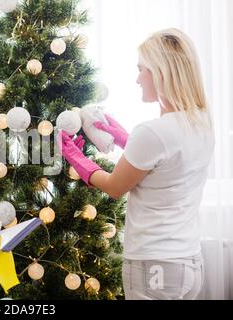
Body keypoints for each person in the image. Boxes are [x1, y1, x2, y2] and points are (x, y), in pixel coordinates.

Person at [59, 28, 215, 300]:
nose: (137, 78)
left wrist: (74, 156)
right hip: (188, 260)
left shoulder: (153, 132)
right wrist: (124, 139)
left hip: (154, 263)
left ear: (161, 73)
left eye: (141, 69)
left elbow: (115, 187)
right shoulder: (201, 123)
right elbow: (164, 164)